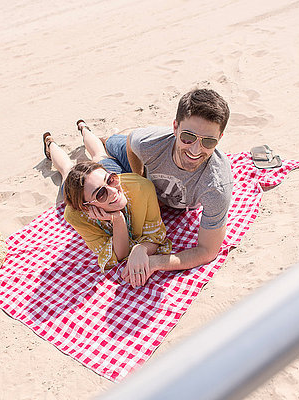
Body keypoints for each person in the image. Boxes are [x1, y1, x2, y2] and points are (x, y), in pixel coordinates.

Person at [100, 88, 234, 286]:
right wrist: (141, 182)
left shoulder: (216, 186)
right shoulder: (149, 143)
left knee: (101, 167)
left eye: (208, 141)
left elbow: (208, 251)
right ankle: (102, 138)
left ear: (219, 138)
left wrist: (154, 262)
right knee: (110, 143)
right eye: (187, 137)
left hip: (148, 177)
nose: (196, 150)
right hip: (143, 163)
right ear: (175, 127)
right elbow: (131, 143)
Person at [42, 121, 171, 288]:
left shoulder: (142, 187)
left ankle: (84, 128)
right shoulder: (76, 215)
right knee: (67, 170)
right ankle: (50, 143)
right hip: (80, 189)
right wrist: (118, 219)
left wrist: (141, 249)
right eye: (102, 194)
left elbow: (156, 236)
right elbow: (120, 254)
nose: (113, 191)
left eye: (111, 181)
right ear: (87, 206)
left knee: (99, 156)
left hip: (102, 174)